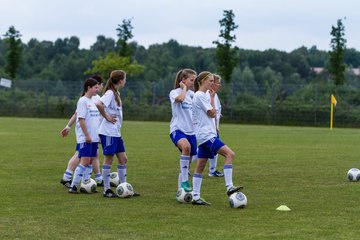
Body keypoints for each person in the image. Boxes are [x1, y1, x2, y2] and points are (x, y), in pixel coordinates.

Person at [191, 71, 243, 205]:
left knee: (201, 165)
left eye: (213, 81)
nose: (213, 83)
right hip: (206, 135)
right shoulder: (200, 95)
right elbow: (213, 113)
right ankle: (229, 186)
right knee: (230, 154)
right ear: (202, 81)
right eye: (211, 81)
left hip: (205, 134)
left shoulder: (205, 94)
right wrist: (213, 100)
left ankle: (196, 197)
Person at [95, 70, 140, 198]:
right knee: (109, 159)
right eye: (125, 79)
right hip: (108, 132)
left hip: (116, 133)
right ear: (121, 80)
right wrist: (107, 117)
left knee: (123, 159)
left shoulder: (116, 93)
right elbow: (99, 104)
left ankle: (124, 187)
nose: (125, 81)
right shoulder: (110, 93)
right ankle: (107, 190)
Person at [60, 76, 104, 188]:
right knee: (83, 159)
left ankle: (85, 182)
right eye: (96, 87)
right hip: (85, 136)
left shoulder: (95, 99)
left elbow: (97, 118)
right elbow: (79, 116)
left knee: (89, 159)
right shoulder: (83, 100)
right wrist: (68, 126)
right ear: (89, 87)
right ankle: (73, 184)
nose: (98, 88)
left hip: (93, 136)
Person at [169, 69, 197, 194]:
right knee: (186, 147)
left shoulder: (193, 95)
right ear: (183, 80)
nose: (193, 82)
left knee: (186, 165)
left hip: (191, 132)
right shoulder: (175, 92)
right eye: (192, 80)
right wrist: (184, 89)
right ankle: (185, 181)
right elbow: (180, 99)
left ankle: (180, 190)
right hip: (177, 129)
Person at [207, 74, 224, 177]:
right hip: (210, 129)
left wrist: (219, 114)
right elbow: (210, 112)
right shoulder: (207, 95)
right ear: (212, 84)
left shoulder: (215, 95)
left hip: (214, 128)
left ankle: (212, 170)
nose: (219, 85)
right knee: (214, 149)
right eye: (218, 83)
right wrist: (215, 126)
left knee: (210, 150)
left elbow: (216, 110)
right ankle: (212, 171)